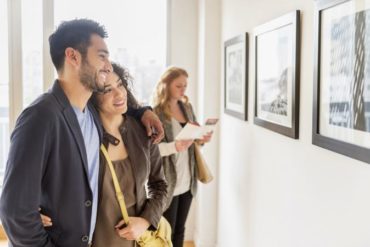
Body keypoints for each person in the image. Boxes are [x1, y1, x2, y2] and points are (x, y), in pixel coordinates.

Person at [0, 19, 163, 247]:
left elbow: (118, 107)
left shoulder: (91, 115)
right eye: (102, 56)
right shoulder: (40, 117)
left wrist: (144, 112)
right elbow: (15, 213)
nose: (108, 66)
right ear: (73, 56)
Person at [152, 66, 212, 247]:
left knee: (180, 229)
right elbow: (152, 151)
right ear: (166, 85)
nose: (183, 90)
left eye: (185, 86)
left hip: (188, 179)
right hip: (168, 181)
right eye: (179, 85)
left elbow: (193, 142)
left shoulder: (187, 107)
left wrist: (202, 138)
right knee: (166, 232)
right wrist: (174, 146)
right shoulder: (156, 113)